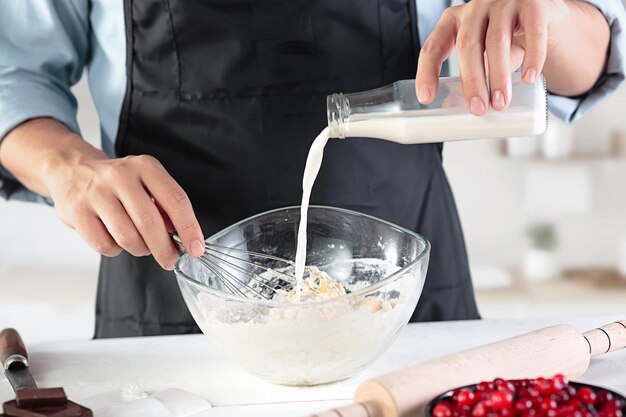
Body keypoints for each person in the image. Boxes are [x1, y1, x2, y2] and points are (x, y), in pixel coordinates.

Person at [0, 1, 624, 338]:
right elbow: (13, 72)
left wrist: (550, 18)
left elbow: (588, 56)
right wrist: (69, 167)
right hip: (169, 304)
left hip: (405, 308)